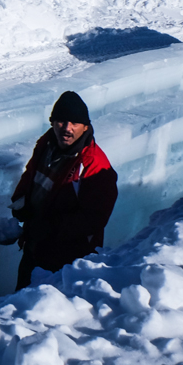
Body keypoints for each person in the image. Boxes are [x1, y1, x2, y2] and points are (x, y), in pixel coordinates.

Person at [9, 91, 118, 290]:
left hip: (67, 259)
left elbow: (95, 218)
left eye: (74, 123)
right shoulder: (47, 143)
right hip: (34, 245)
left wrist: (50, 228)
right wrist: (20, 202)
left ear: (86, 126)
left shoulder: (94, 165)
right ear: (52, 122)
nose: (67, 128)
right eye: (61, 121)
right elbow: (31, 174)